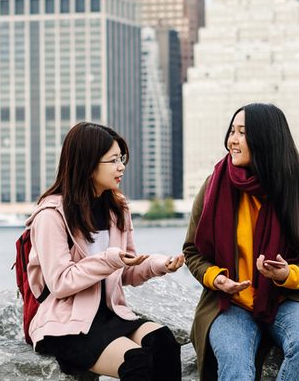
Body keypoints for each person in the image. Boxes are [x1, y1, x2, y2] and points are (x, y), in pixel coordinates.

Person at [182, 103, 299, 381]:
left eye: (242, 133)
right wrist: (217, 279)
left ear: (266, 140)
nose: (232, 140)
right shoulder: (214, 186)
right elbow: (193, 252)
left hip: (290, 297)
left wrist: (287, 274)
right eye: (232, 131)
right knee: (235, 364)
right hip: (231, 301)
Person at [25, 122, 185, 381]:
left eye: (121, 159)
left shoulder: (117, 208)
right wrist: (109, 260)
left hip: (110, 314)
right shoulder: (51, 215)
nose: (121, 166)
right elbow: (60, 282)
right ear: (88, 165)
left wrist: (159, 264)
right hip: (66, 324)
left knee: (164, 343)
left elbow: (126, 271)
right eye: (112, 160)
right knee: (137, 362)